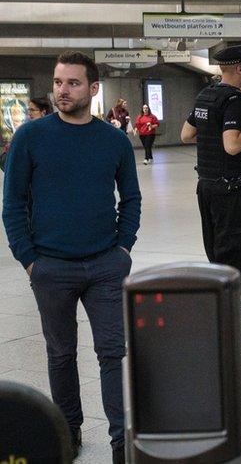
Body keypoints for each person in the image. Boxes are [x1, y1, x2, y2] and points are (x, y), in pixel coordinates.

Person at [2, 51, 141, 464]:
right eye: (59, 83)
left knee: (111, 353)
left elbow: (130, 198)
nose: (63, 90)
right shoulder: (30, 137)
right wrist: (29, 259)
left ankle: (121, 441)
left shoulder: (114, 140)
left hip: (104, 264)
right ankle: (69, 431)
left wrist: (122, 249)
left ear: (93, 89)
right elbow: (12, 204)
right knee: (61, 355)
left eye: (73, 83)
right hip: (50, 266)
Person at [180, 44, 241, 344]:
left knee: (218, 254)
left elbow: (186, 134)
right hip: (231, 191)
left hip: (207, 187)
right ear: (239, 69)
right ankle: (229, 325)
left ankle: (235, 313)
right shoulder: (235, 99)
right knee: (234, 257)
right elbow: (233, 146)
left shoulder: (205, 95)